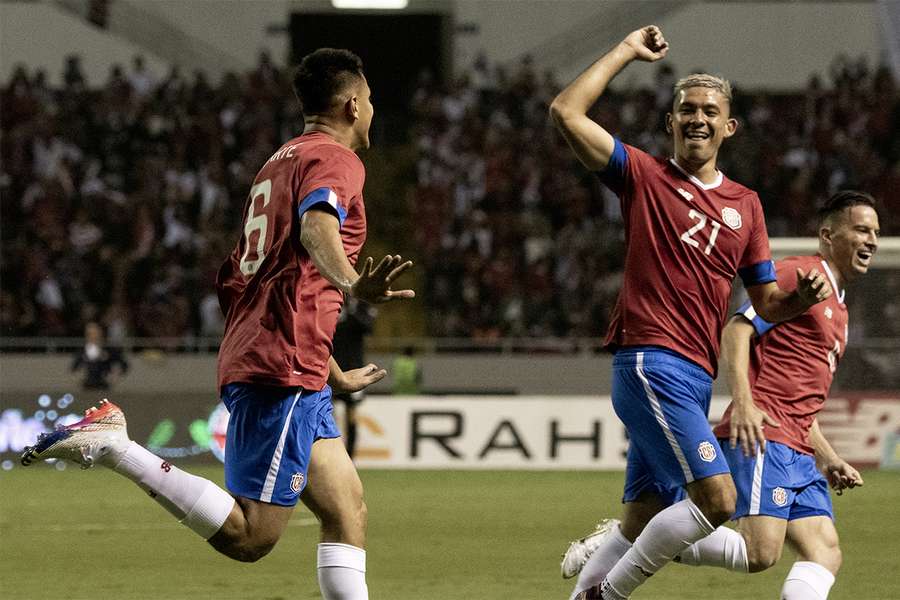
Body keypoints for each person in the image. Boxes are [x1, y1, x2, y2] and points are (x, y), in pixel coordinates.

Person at [22, 48, 414, 600]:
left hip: (287, 358)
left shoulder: (277, 163)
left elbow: (261, 282)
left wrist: (335, 374)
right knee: (252, 537)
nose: (373, 111)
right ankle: (117, 447)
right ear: (352, 104)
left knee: (347, 508)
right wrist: (353, 282)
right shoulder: (335, 159)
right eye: (370, 100)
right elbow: (315, 232)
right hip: (281, 369)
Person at [549, 26, 832, 600]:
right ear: (671, 124)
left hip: (695, 377)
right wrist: (628, 51)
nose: (697, 118)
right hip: (652, 362)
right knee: (718, 501)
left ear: (729, 127)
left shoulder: (746, 206)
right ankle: (611, 595)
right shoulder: (644, 176)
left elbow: (764, 305)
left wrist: (796, 302)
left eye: (710, 111)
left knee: (643, 518)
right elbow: (565, 111)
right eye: (686, 110)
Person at [562, 191, 880, 600]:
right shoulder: (798, 274)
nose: (871, 239)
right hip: (768, 439)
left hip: (799, 446)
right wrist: (745, 403)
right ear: (827, 234)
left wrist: (829, 457)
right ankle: (633, 536)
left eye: (875, 232)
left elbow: (801, 396)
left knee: (826, 551)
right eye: (860, 229)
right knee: (758, 551)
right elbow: (736, 329)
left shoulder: (838, 305)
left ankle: (633, 534)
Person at [331, 297, 377, 459]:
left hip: (355, 371)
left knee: (352, 415)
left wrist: (351, 311)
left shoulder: (362, 307)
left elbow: (368, 328)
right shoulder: (332, 304)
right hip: (331, 370)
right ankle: (333, 455)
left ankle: (350, 457)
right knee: (328, 414)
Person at [71, 321, 129, 391]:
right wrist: (78, 377)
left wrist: (115, 375)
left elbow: (123, 364)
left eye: (95, 333)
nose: (93, 336)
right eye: (89, 333)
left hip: (104, 386)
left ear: (100, 333)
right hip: (87, 386)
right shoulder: (82, 351)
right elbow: (74, 367)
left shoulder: (110, 350)